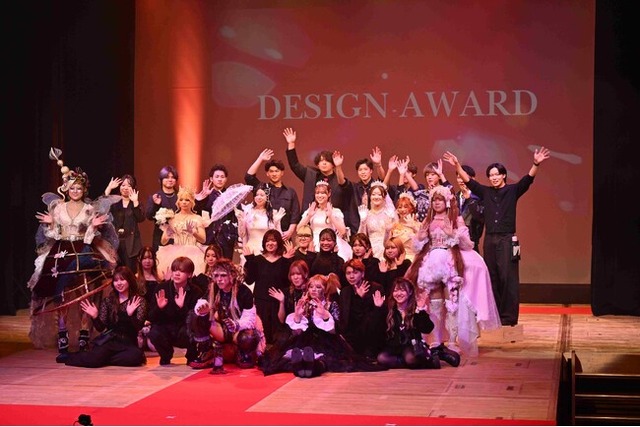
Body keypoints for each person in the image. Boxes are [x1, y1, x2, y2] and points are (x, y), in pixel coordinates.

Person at [28, 148, 119, 361]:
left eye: (79, 188)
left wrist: (93, 226)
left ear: (84, 189)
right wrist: (52, 224)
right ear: (66, 189)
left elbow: (89, 236)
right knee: (60, 292)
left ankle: (84, 335)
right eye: (72, 188)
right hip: (61, 250)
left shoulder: (89, 208)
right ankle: (63, 335)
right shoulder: (58, 208)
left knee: (86, 292)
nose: (75, 191)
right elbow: (54, 234)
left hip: (83, 248)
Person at [443, 147, 551, 326]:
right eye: (490, 175)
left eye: (496, 174)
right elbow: (469, 182)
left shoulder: (512, 190)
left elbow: (528, 180)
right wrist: (457, 165)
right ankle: (496, 315)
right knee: (492, 276)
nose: (493, 177)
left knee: (507, 278)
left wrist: (536, 164)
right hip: (490, 239)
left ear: (503, 175)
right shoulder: (486, 192)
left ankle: (508, 317)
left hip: (506, 239)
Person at [260, 273, 385, 378]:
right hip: (305, 339)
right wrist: (297, 316)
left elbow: (335, 331)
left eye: (318, 287)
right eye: (311, 287)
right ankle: (300, 366)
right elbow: (297, 332)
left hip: (326, 340)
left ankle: (313, 367)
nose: (313, 290)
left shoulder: (331, 304)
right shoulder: (303, 304)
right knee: (288, 356)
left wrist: (325, 316)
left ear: (324, 289)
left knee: (326, 359)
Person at [403, 185, 471, 365]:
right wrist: (420, 236)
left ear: (447, 201)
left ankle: (453, 341)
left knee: (452, 303)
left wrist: (452, 233)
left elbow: (467, 243)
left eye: (440, 200)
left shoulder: (456, 219)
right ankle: (436, 339)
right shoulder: (428, 220)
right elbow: (418, 246)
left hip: (449, 261)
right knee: (435, 303)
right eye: (434, 200)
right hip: (432, 262)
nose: (437, 203)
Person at [190, 258, 265, 374]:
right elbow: (201, 303)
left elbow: (249, 319)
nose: (219, 279)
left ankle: (244, 353)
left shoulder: (244, 291)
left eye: (223, 275)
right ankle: (204, 351)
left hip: (239, 330)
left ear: (232, 275)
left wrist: (236, 325)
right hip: (221, 329)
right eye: (216, 276)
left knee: (249, 337)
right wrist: (203, 310)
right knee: (196, 317)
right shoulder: (213, 288)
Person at [64, 266, 147, 368]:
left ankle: (104, 359)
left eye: (122, 279)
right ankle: (71, 357)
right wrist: (95, 317)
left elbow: (138, 327)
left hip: (128, 344)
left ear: (129, 280)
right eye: (116, 280)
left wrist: (130, 315)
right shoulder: (108, 301)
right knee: (93, 361)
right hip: (111, 341)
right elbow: (101, 328)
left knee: (136, 357)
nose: (119, 283)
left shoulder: (138, 301)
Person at [283, 127, 356, 236]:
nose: (324, 163)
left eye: (327, 161)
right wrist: (291, 144)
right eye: (321, 161)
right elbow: (295, 165)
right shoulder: (311, 175)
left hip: (334, 224)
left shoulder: (338, 179)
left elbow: (343, 184)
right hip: (311, 222)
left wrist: (338, 166)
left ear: (333, 164)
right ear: (317, 164)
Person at [147, 256, 203, 366]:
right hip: (166, 328)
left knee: (194, 329)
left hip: (184, 330)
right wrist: (159, 308)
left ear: (189, 274)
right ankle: (166, 355)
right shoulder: (161, 288)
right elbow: (151, 317)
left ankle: (191, 357)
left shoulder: (196, 291)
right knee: (154, 333)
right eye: (175, 270)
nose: (177, 274)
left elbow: (195, 320)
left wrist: (182, 307)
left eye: (181, 271)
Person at [243, 230, 295, 345]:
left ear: (279, 243)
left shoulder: (284, 260)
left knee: (277, 338)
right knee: (261, 335)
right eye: (267, 241)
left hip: (278, 303)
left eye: (273, 240)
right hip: (261, 303)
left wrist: (286, 260)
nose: (270, 243)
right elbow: (249, 280)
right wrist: (249, 260)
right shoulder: (257, 260)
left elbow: (287, 282)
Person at [377, 277, 440, 370]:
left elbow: (427, 329)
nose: (398, 293)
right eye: (395, 290)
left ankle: (426, 359)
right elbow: (378, 329)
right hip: (394, 346)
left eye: (402, 290)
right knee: (382, 358)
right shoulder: (389, 309)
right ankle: (410, 362)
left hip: (411, 345)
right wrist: (378, 309)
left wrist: (421, 311)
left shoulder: (415, 308)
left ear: (410, 292)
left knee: (410, 359)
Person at [245, 148, 301, 242]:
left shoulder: (290, 192)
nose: (274, 174)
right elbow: (249, 177)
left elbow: (295, 215)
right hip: (265, 235)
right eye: (271, 171)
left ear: (282, 173)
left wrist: (290, 231)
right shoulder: (263, 189)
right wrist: (260, 159)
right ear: (267, 173)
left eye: (277, 171)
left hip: (284, 235)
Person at [338, 259, 386, 360]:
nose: (351, 276)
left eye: (355, 273)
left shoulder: (375, 288)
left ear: (362, 273)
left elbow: (375, 319)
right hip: (352, 335)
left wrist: (361, 299)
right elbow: (346, 319)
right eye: (348, 273)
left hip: (371, 335)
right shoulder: (345, 292)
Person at [156, 186, 208, 278]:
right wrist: (167, 235)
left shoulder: (197, 218)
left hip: (193, 252)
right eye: (181, 200)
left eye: (187, 200)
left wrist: (193, 232)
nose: (184, 202)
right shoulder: (172, 218)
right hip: (174, 251)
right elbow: (163, 242)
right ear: (178, 202)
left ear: (192, 202)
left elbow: (203, 239)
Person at [297, 180, 352, 262]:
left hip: (329, 241)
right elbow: (298, 229)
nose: (320, 195)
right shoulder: (311, 210)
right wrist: (309, 215)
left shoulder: (336, 211)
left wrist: (331, 216)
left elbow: (343, 231)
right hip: (314, 242)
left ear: (329, 194)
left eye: (323, 193)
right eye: (317, 193)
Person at [194, 164, 239, 260]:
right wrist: (201, 199)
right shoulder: (206, 195)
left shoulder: (231, 196)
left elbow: (236, 217)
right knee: (209, 265)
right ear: (211, 179)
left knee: (226, 264)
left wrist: (234, 235)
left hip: (227, 238)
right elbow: (197, 213)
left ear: (226, 179)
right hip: (210, 237)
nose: (220, 179)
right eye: (217, 177)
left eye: (222, 177)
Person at [235, 183, 285, 262]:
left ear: (267, 197)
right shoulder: (248, 212)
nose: (259, 197)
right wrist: (240, 220)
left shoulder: (273, 214)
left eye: (262, 195)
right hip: (251, 249)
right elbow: (242, 234)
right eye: (257, 195)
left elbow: (278, 235)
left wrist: (276, 222)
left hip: (267, 250)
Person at [104, 174, 145, 274]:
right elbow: (102, 208)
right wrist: (108, 189)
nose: (125, 188)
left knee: (130, 272)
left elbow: (140, 218)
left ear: (133, 187)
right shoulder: (114, 202)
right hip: (115, 242)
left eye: (129, 185)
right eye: (123, 185)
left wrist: (135, 202)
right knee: (115, 273)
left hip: (131, 243)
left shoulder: (135, 203)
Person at [357, 181, 398, 260]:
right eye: (373, 194)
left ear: (384, 197)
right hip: (371, 250)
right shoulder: (366, 214)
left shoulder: (390, 213)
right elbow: (361, 237)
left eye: (379, 194)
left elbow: (396, 234)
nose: (376, 197)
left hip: (387, 248)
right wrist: (362, 222)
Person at [347, 149, 386, 232]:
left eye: (365, 169)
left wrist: (378, 164)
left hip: (375, 226)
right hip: (357, 227)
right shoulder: (354, 187)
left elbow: (382, 178)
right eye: (360, 170)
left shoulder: (376, 186)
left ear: (371, 171)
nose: (363, 172)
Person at [145, 165, 179, 251]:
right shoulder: (155, 197)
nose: (170, 180)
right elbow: (149, 216)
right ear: (161, 179)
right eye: (167, 177)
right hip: (160, 237)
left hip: (179, 237)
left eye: (173, 177)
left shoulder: (181, 196)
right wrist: (156, 205)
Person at [135, 246, 161, 352]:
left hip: (155, 316)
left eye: (150, 258)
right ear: (140, 260)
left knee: (154, 348)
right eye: (144, 258)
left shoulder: (159, 279)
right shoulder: (135, 278)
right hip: (140, 316)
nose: (147, 261)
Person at [455, 165, 484, 253]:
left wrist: (469, 199)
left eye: (464, 177)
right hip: (455, 240)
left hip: (472, 240)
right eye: (459, 177)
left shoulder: (479, 197)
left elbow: (479, 217)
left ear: (472, 179)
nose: (461, 180)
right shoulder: (455, 197)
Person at [390, 192, 421, 262]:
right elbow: (387, 245)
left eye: (405, 207)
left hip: (413, 259)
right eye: (400, 207)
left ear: (411, 209)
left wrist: (414, 227)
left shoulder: (418, 225)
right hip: (396, 260)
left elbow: (423, 244)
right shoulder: (393, 226)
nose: (402, 209)